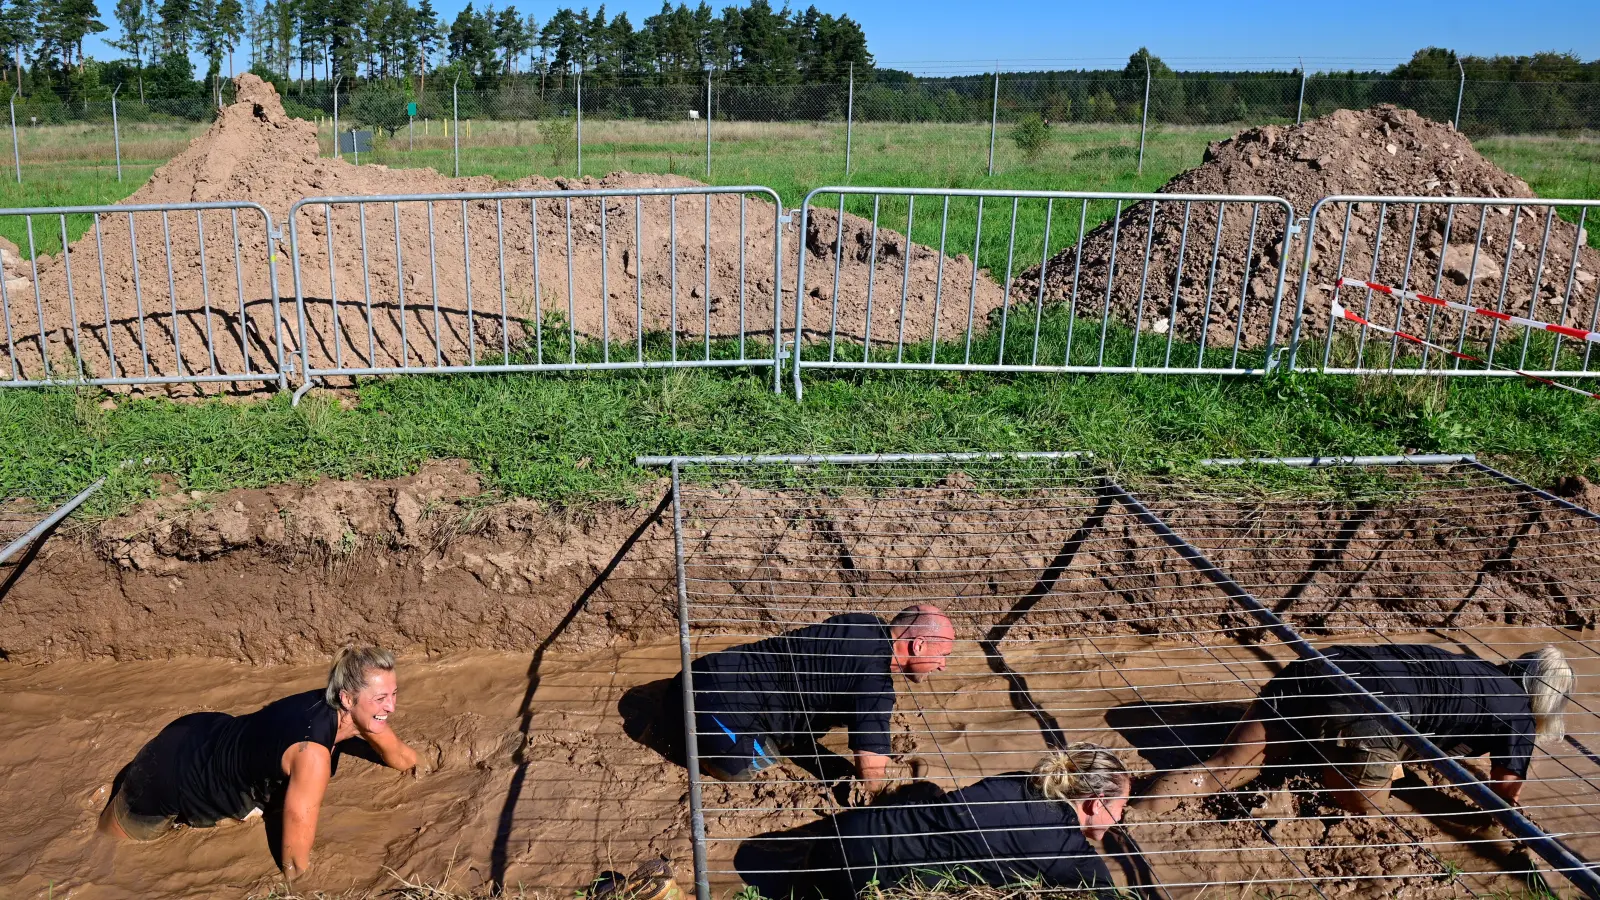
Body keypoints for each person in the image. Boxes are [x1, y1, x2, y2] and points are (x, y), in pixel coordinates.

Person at [98, 647, 420, 887]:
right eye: (381, 699)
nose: (391, 706)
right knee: (109, 851)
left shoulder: (349, 708)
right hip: (169, 772)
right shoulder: (312, 756)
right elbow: (294, 863)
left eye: (394, 694)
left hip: (203, 731)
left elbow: (404, 760)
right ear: (348, 699)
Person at [1137, 644, 1572, 815]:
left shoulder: (1474, 669)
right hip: (1369, 714)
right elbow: (1505, 797)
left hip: (1317, 668)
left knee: (1215, 770)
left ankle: (1133, 816)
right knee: (1364, 820)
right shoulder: (1518, 712)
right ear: (1548, 700)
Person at [803, 743, 1129, 899]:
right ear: (1095, 803)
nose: (1120, 818)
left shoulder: (1021, 781)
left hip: (841, 836)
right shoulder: (1069, 856)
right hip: (859, 885)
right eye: (1120, 807)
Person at [677, 605, 955, 787]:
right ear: (918, 645)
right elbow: (871, 776)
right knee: (750, 767)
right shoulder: (876, 686)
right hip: (713, 708)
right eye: (943, 655)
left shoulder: (861, 622)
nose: (943, 666)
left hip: (699, 672)